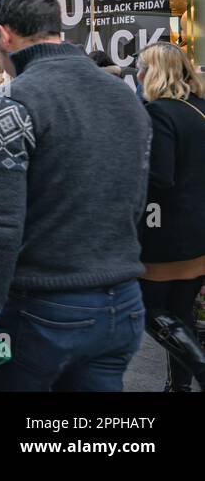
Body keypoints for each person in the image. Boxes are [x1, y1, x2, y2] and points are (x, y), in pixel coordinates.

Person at [0, 0, 149, 392]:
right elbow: (134, 199)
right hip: (122, 303)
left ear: (4, 34)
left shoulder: (14, 101)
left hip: (43, 307)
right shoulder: (124, 97)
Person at [134, 42, 205, 391]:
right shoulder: (199, 108)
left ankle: (197, 372)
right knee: (181, 312)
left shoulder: (159, 111)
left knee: (149, 309)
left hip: (167, 231)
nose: (138, 73)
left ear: (155, 72)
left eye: (142, 66)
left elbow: (159, 177)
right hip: (198, 230)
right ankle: (177, 387)